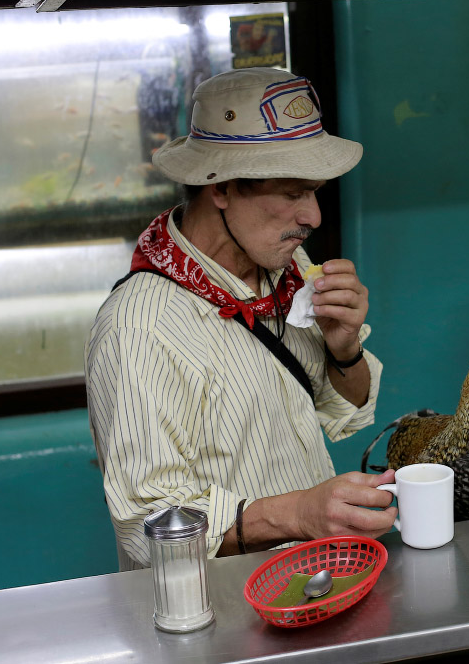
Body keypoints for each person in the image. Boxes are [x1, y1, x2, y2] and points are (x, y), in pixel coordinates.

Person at [85, 68, 396, 569]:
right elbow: (150, 526)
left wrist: (344, 349)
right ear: (223, 188)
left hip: (312, 580)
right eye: (292, 193)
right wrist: (298, 513)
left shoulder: (285, 270)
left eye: (314, 192)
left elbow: (348, 408)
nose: (313, 216)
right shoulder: (139, 328)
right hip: (220, 616)